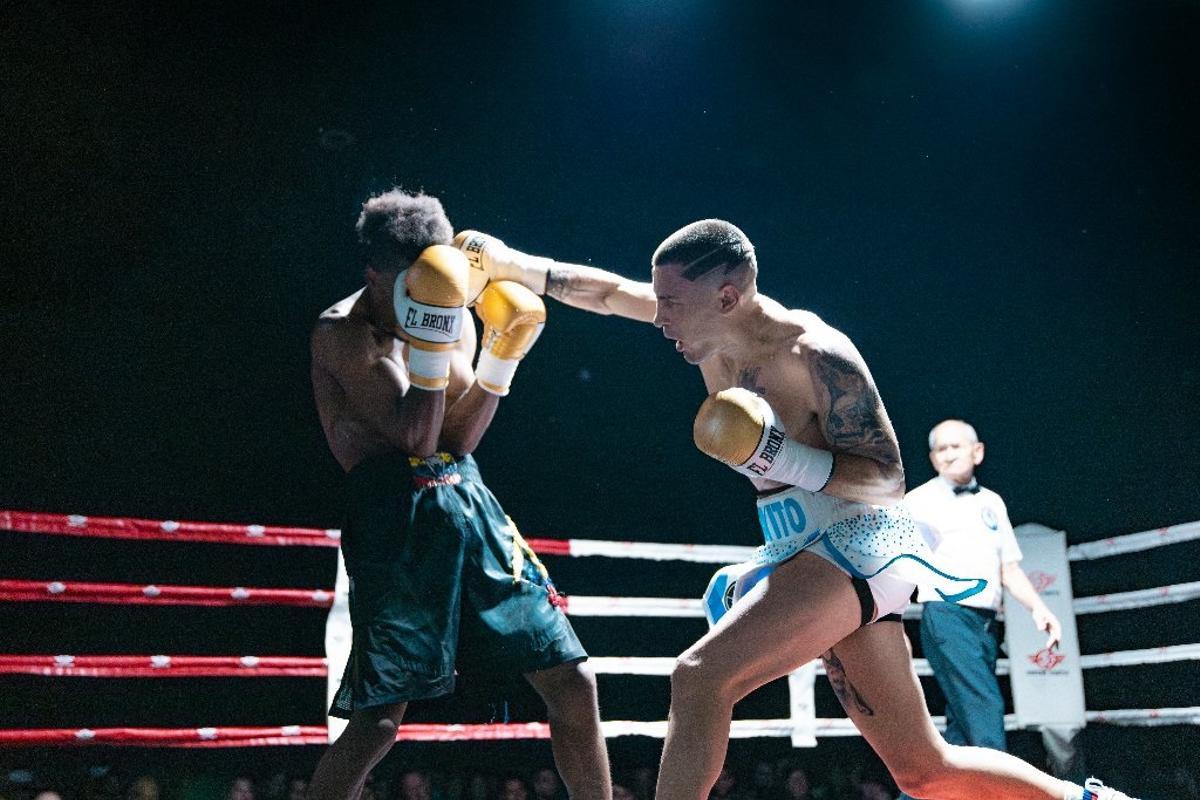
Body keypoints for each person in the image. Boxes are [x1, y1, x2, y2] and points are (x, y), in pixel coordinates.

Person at [453, 223, 1137, 800]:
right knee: (924, 769)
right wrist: (515, 264)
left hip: (859, 540)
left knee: (699, 679)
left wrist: (779, 456)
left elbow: (888, 475)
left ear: (727, 296)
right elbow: (607, 294)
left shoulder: (814, 353)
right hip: (804, 549)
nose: (658, 318)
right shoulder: (707, 331)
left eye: (671, 304)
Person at [308, 190, 610, 800]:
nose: (425, 293)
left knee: (573, 679)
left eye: (435, 276)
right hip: (391, 514)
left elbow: (459, 438)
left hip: (467, 498)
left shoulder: (453, 309)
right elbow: (416, 438)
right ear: (375, 274)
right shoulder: (343, 334)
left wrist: (501, 358)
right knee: (377, 722)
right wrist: (432, 338)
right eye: (411, 281)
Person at [905, 420, 1063, 753]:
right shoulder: (917, 501)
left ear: (977, 452)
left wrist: (1039, 608)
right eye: (941, 449)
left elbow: (1009, 568)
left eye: (955, 446)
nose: (949, 455)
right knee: (985, 711)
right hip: (947, 616)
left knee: (963, 730)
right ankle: (1002, 781)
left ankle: (938, 783)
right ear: (932, 458)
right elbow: (892, 559)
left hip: (986, 623)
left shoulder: (992, 502)